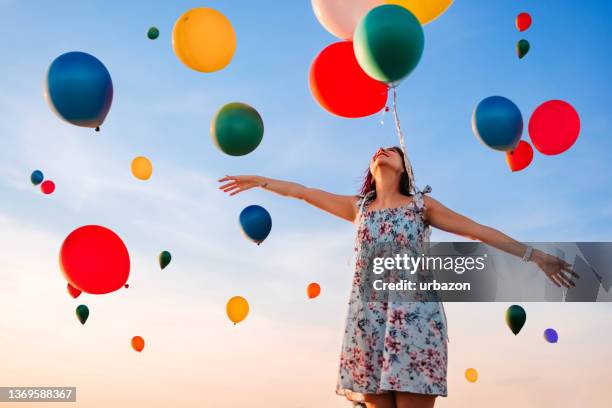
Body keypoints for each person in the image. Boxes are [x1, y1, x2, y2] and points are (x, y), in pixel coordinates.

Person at [218, 146, 577, 408]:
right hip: (367, 322)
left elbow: (476, 230)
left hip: (415, 322)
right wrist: (261, 181)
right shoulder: (356, 207)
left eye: (392, 150)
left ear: (405, 168)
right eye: (377, 151)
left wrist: (536, 256)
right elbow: (303, 193)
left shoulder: (422, 206)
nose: (382, 151)